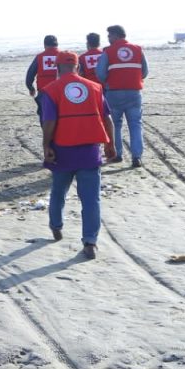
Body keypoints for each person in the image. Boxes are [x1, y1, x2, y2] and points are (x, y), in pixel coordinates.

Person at [39, 51, 116, 260]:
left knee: (58, 191)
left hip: (63, 151)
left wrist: (46, 145)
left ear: (57, 68)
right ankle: (90, 242)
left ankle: (56, 226)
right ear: (78, 67)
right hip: (90, 151)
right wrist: (111, 144)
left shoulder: (50, 90)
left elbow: (49, 122)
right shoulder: (95, 87)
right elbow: (107, 118)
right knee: (91, 200)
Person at [95, 24, 148, 168]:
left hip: (114, 93)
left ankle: (118, 154)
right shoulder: (138, 49)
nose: (108, 38)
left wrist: (108, 83)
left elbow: (99, 73)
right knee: (135, 125)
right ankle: (136, 157)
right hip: (134, 92)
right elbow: (145, 71)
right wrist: (134, 79)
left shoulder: (108, 51)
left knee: (116, 125)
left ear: (116, 35)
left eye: (109, 36)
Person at [25, 35, 60, 119]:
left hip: (44, 92)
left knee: (45, 116)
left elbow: (30, 74)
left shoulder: (39, 57)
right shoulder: (64, 56)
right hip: (61, 92)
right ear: (57, 44)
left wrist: (31, 88)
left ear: (44, 45)